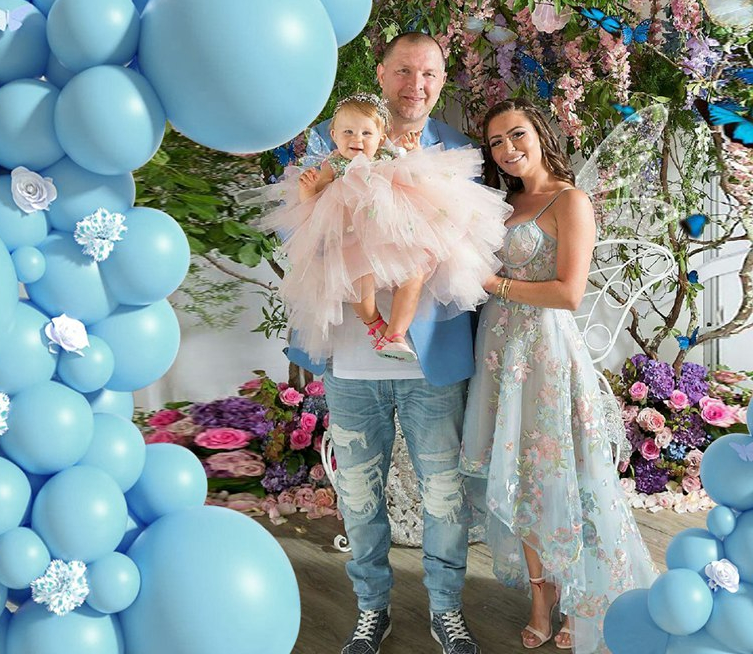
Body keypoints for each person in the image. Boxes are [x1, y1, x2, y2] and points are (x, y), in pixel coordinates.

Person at [289, 32, 492, 654]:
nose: (416, 84)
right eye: (404, 70)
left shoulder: (456, 149)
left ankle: (446, 610)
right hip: (351, 361)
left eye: (428, 73)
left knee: (444, 496)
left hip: (430, 363)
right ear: (381, 74)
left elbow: (474, 253)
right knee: (358, 495)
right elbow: (299, 236)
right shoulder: (332, 142)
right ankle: (370, 609)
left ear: (442, 79)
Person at [459, 98, 658, 653]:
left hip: (546, 355)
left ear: (540, 133)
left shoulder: (570, 201)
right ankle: (541, 601)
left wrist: (494, 284)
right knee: (522, 479)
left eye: (516, 134)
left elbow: (569, 294)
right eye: (496, 142)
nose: (507, 149)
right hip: (499, 355)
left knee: (566, 476)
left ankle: (581, 597)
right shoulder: (502, 204)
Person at [252, 91, 509, 364]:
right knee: (357, 288)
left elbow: (418, 179)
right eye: (348, 132)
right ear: (334, 135)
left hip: (392, 237)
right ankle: (376, 326)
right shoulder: (332, 165)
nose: (357, 139)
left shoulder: (389, 158)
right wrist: (308, 189)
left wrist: (414, 153)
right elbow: (312, 206)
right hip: (351, 239)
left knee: (414, 275)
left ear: (381, 136)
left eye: (366, 133)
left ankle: (396, 333)